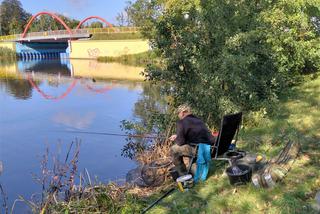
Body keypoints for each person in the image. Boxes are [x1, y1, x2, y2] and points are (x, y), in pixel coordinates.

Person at [169, 104, 216, 176]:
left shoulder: (181, 122)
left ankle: (183, 174)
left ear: (183, 112)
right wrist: (178, 136)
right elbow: (193, 134)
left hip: (199, 149)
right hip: (211, 148)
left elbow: (180, 142)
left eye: (178, 113)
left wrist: (175, 139)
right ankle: (194, 168)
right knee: (188, 147)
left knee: (173, 149)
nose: (178, 116)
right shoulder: (198, 119)